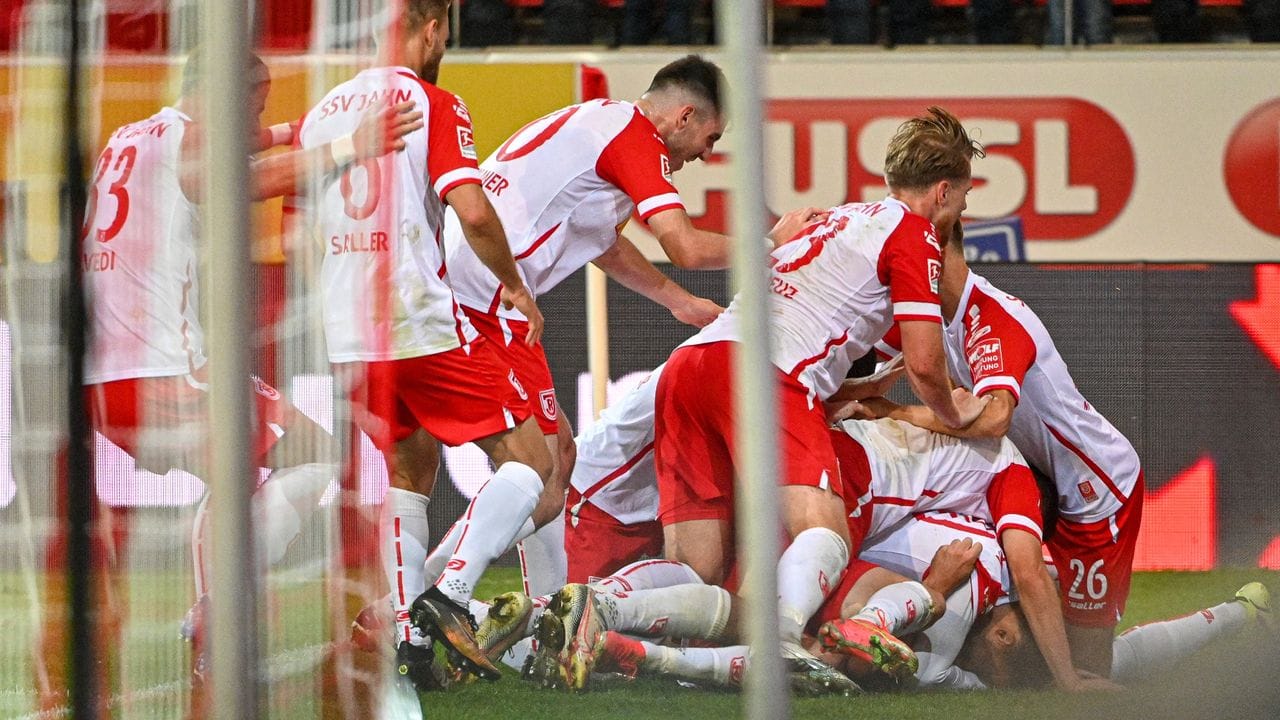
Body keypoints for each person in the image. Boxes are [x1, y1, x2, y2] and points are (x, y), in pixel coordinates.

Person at [70, 49, 421, 712]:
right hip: (162, 372)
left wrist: (296, 128)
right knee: (307, 454)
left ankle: (216, 613)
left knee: (282, 457)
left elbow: (243, 142)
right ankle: (217, 616)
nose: (254, 121)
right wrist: (350, 143)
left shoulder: (134, 135)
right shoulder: (191, 140)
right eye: (252, 106)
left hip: (101, 381)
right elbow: (235, 179)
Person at [633, 107, 987, 680]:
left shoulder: (838, 218)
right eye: (963, 202)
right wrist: (955, 411)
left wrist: (857, 387)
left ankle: (599, 611)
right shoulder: (915, 235)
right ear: (943, 191)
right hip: (764, 373)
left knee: (694, 565)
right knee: (823, 534)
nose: (959, 214)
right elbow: (926, 365)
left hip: (693, 363)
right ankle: (781, 649)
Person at [293, 0, 552, 682]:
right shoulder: (430, 100)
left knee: (409, 473)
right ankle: (450, 594)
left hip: (347, 330)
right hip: (418, 317)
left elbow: (300, 229)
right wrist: (515, 284)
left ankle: (409, 635)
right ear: (432, 26)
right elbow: (472, 210)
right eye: (445, 33)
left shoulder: (324, 114)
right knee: (533, 463)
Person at [435, 54, 739, 604]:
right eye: (710, 137)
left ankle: (544, 612)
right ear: (685, 116)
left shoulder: (603, 121)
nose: (706, 154)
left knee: (557, 464)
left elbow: (603, 241)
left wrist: (676, 300)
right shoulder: (635, 137)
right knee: (542, 476)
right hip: (487, 295)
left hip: (474, 287)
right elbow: (686, 246)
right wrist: (776, 249)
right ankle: (437, 591)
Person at [864, 219, 1144, 682]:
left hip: (1095, 493)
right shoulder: (932, 317)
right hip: (1040, 480)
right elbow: (873, 363)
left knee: (1088, 664)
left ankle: (1218, 624)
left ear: (936, 258)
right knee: (1034, 651)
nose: (898, 273)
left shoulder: (993, 318)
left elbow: (995, 419)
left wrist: (899, 412)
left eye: (908, 261)